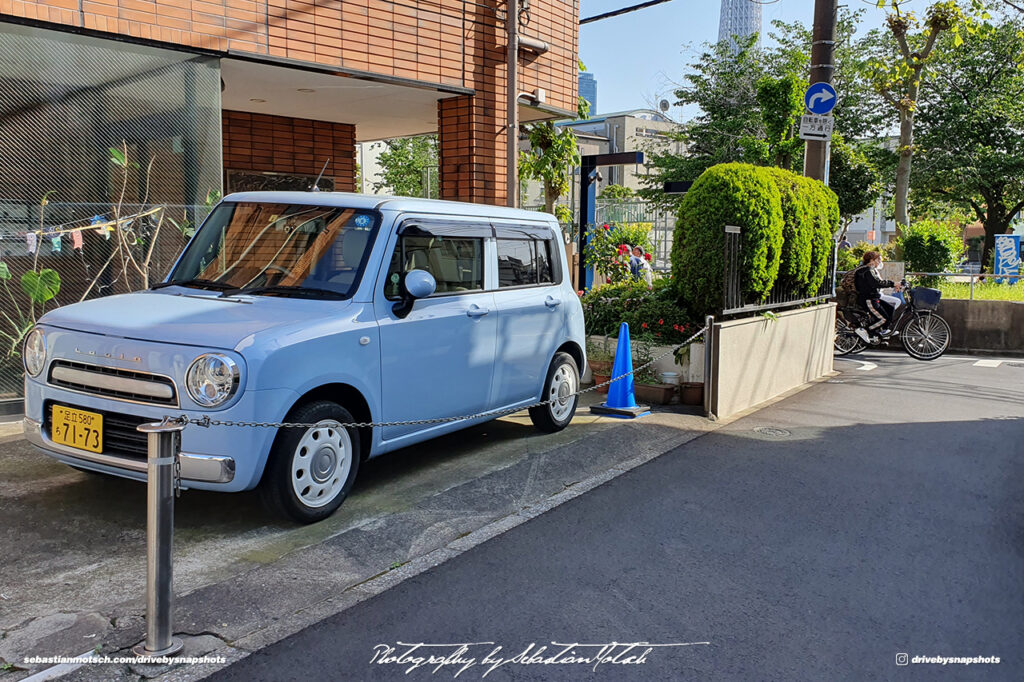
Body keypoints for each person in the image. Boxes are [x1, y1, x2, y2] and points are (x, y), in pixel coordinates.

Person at [853, 250, 902, 342]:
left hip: (874, 297)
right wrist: (893, 283)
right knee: (883, 319)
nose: (880, 262)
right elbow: (876, 283)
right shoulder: (866, 270)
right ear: (871, 260)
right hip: (868, 299)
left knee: (890, 308)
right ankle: (864, 330)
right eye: (878, 260)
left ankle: (884, 330)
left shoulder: (869, 270)